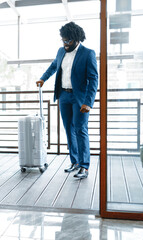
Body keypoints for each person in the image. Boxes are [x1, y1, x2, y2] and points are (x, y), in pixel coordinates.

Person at [36, 22, 98, 179]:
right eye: (63, 40)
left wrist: (88, 103)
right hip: (64, 96)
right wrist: (43, 79)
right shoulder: (60, 51)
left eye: (68, 41)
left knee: (80, 129)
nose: (65, 44)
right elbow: (53, 67)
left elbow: (93, 79)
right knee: (69, 130)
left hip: (80, 99)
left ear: (77, 39)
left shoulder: (88, 53)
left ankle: (84, 166)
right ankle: (75, 162)